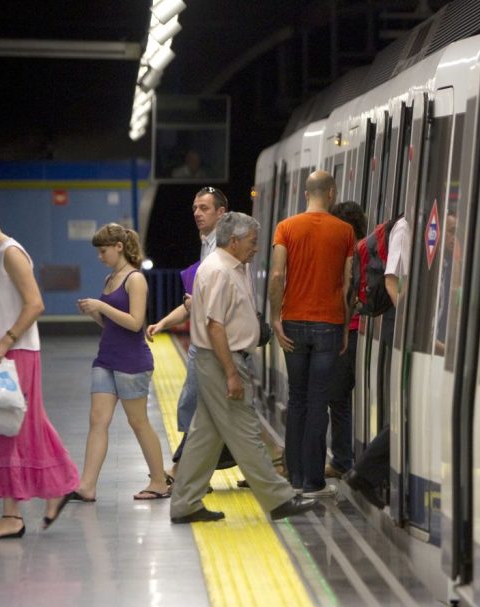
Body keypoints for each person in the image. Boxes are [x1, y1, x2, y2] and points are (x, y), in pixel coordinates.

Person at [170, 212, 316, 523]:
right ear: (233, 241)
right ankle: (278, 499)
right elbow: (215, 326)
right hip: (222, 360)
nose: (255, 248)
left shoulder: (232, 267)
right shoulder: (219, 271)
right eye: (251, 242)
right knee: (246, 430)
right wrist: (232, 373)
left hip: (219, 359)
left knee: (204, 436)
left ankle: (185, 504)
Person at [0, 195, 80, 537]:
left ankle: (13, 516)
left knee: (9, 427)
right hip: (1, 355)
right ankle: (60, 487)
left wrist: (6, 340)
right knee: (24, 424)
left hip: (17, 352)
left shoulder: (10, 252)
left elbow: (35, 303)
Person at [61, 224, 171, 505]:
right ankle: (87, 485)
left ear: (119, 247)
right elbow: (110, 324)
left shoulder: (135, 280)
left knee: (138, 422)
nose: (100, 256)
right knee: (97, 421)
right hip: (106, 358)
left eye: (103, 251)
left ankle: (159, 481)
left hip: (132, 362)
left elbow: (135, 323)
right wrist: (93, 312)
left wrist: (102, 306)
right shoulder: (110, 279)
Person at [269, 171, 355, 497]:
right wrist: (344, 327)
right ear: (331, 193)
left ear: (306, 194)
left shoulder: (286, 227)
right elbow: (346, 285)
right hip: (329, 324)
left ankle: (294, 477)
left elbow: (278, 274)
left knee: (297, 398)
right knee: (319, 400)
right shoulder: (345, 231)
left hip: (293, 322)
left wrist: (277, 317)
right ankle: (313, 481)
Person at [146, 187, 235, 473]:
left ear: (221, 213)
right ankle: (201, 466)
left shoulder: (224, 248)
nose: (197, 213)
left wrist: (199, 301)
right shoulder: (207, 244)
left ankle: (184, 468)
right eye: (195, 208)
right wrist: (163, 323)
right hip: (204, 337)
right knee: (204, 406)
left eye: (204, 208)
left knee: (196, 403)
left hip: (215, 338)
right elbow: (194, 302)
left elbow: (222, 295)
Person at [343, 212, 411, 509]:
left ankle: (367, 471)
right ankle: (366, 471)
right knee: (410, 408)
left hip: (405, 323)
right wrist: (411, 322)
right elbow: (391, 278)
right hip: (402, 324)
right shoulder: (406, 228)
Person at [326, 201, 368, 479]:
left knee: (337, 396)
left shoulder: (354, 252)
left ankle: (342, 460)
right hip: (361, 332)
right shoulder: (367, 248)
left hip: (349, 331)